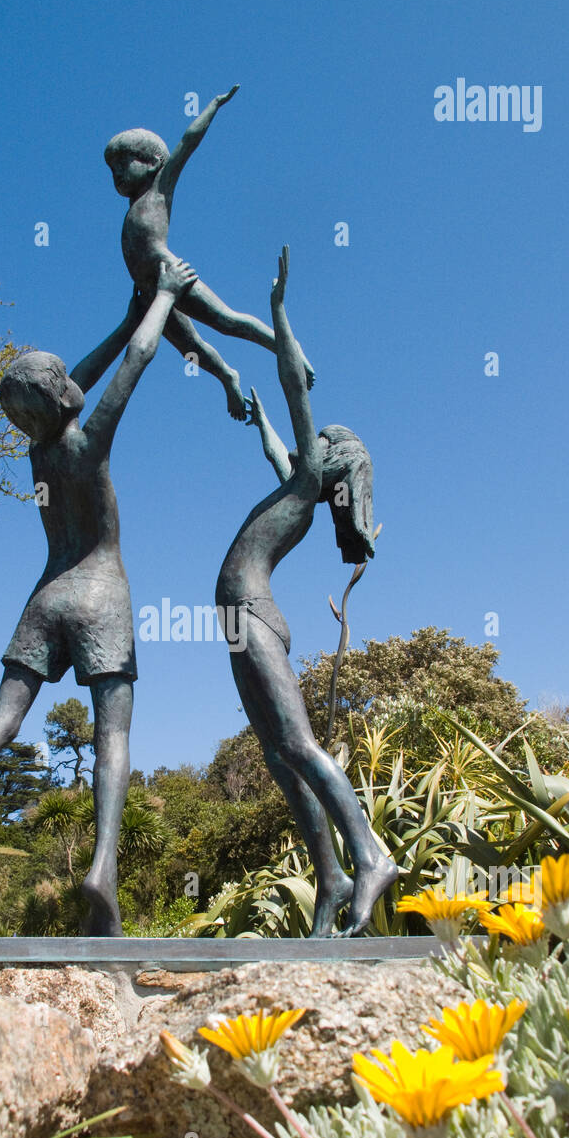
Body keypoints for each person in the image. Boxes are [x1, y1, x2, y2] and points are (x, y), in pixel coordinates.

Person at [0, 258, 198, 937]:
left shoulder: (39, 451)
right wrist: (163, 301)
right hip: (101, 591)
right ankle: (103, 867)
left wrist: (125, 314)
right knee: (112, 734)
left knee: (1, 718)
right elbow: (134, 365)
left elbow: (74, 378)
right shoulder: (91, 441)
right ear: (64, 396)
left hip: (45, 594)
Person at [215, 247, 397, 937]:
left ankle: (371, 854)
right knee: (276, 756)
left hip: (252, 613)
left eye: (315, 439)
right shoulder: (294, 483)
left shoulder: (302, 486)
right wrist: (259, 417)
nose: (303, 440)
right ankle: (331, 882)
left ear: (329, 460)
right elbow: (275, 441)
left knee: (296, 742)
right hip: (240, 618)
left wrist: (278, 312)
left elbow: (295, 383)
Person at [104, 85, 314, 421]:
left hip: (172, 275)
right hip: (150, 291)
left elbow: (188, 143)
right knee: (192, 350)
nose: (116, 174)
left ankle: (289, 349)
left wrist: (213, 106)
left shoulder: (159, 190)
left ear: (154, 163)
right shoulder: (133, 205)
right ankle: (228, 377)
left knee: (227, 321)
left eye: (123, 163)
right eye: (111, 169)